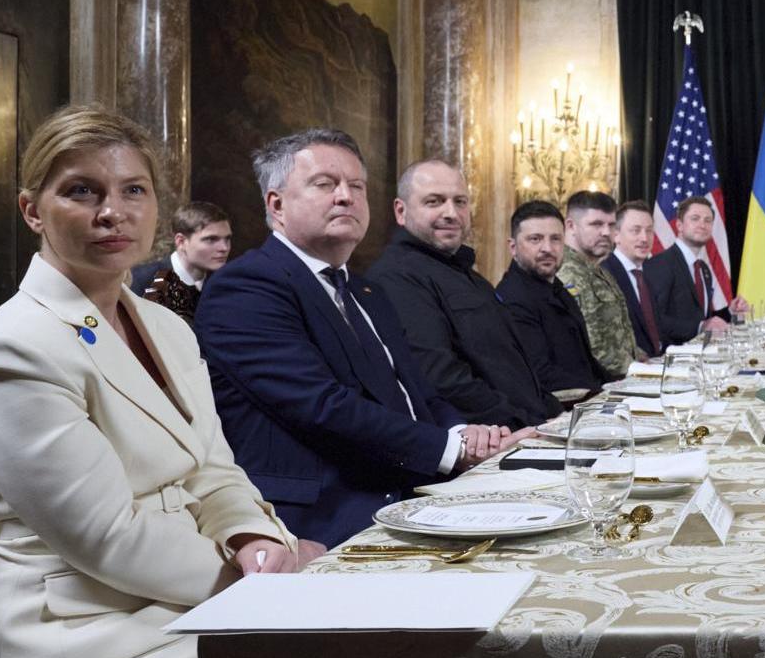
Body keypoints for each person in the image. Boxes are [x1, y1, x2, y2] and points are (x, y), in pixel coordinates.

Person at [0, 106, 318, 658]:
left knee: (363, 641)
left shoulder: (168, 327)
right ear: (32, 210)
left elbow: (214, 468)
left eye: (133, 191)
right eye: (81, 191)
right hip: (65, 645)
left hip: (165, 610)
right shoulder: (12, 346)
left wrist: (255, 540)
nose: (111, 212)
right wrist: (250, 586)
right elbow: (104, 537)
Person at [195, 130, 531, 547]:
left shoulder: (365, 290)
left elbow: (418, 394)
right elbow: (322, 407)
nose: (345, 197)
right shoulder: (246, 286)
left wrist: (467, 433)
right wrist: (453, 450)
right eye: (325, 184)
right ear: (276, 205)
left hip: (410, 487)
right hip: (325, 515)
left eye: (356, 186)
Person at [363, 159, 559, 428]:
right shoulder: (396, 275)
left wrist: (553, 415)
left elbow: (513, 366)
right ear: (401, 211)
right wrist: (524, 424)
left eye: (460, 202)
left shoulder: (466, 273)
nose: (451, 213)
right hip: (498, 437)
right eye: (434, 201)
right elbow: (442, 378)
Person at [497, 200, 614, 394]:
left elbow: (585, 361)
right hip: (561, 406)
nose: (548, 248)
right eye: (535, 239)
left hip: (589, 397)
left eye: (555, 239)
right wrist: (601, 393)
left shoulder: (557, 288)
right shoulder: (513, 299)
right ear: (513, 247)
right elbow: (541, 375)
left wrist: (618, 387)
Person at [556, 190, 640, 378]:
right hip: (599, 385)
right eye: (596, 224)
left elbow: (617, 335)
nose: (606, 232)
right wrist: (640, 371)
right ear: (570, 226)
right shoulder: (568, 273)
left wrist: (641, 360)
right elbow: (591, 345)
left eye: (611, 225)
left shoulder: (596, 269)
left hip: (622, 379)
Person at [648, 195, 748, 345]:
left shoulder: (703, 269)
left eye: (708, 220)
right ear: (679, 225)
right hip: (672, 355)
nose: (702, 225)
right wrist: (700, 327)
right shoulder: (661, 264)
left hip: (702, 352)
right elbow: (654, 320)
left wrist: (730, 312)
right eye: (695, 219)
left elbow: (701, 318)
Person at [131, 200, 232, 323]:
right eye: (211, 239)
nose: (224, 248)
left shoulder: (224, 285)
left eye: (227, 239)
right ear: (181, 241)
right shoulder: (140, 280)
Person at [604, 200, 663, 358]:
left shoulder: (649, 272)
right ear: (616, 235)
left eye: (649, 231)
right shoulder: (604, 274)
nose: (644, 238)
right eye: (636, 231)